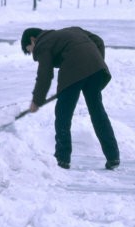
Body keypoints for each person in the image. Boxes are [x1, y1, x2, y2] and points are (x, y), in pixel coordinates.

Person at [21, 26, 120, 170]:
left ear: (32, 39)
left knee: (63, 114)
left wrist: (36, 100)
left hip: (74, 70)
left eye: (30, 50)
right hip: (96, 68)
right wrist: (94, 65)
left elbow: (45, 75)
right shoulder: (71, 31)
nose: (33, 54)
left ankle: (62, 158)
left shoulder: (43, 43)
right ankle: (113, 156)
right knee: (97, 112)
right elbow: (98, 41)